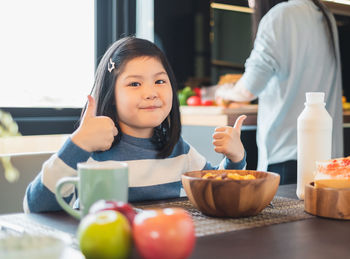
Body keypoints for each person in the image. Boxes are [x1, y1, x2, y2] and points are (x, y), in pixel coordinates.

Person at [24, 36, 247, 213]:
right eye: (134, 83)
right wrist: (78, 143)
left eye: (160, 81)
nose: (150, 93)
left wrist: (235, 158)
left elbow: (219, 194)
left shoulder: (180, 151)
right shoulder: (88, 152)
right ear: (110, 95)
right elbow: (36, 207)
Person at [215, 0, 343, 184]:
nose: (250, 0)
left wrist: (222, 92)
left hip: (287, 158)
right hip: (327, 157)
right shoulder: (324, 13)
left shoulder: (278, 16)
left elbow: (248, 89)